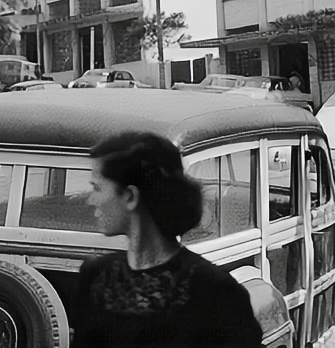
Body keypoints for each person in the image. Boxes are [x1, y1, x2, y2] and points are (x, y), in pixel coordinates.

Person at [72, 131, 263, 348]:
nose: (90, 200)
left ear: (130, 196)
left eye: (97, 188)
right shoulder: (95, 276)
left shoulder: (215, 292)